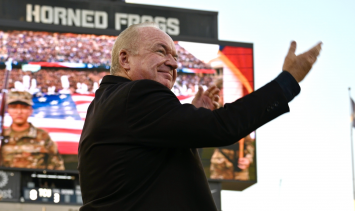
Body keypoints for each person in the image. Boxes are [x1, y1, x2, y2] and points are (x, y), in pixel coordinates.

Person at [78, 22, 321, 211]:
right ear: (125, 59)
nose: (172, 64)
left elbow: (149, 174)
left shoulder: (105, 103)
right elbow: (223, 127)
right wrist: (288, 81)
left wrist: (194, 117)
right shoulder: (137, 94)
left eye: (175, 57)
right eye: (161, 51)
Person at [1, 91, 65, 170]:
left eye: (24, 107)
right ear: (8, 110)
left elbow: (57, 167)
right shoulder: (2, 136)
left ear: (30, 111)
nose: (19, 112)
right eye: (14, 107)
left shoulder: (42, 136)